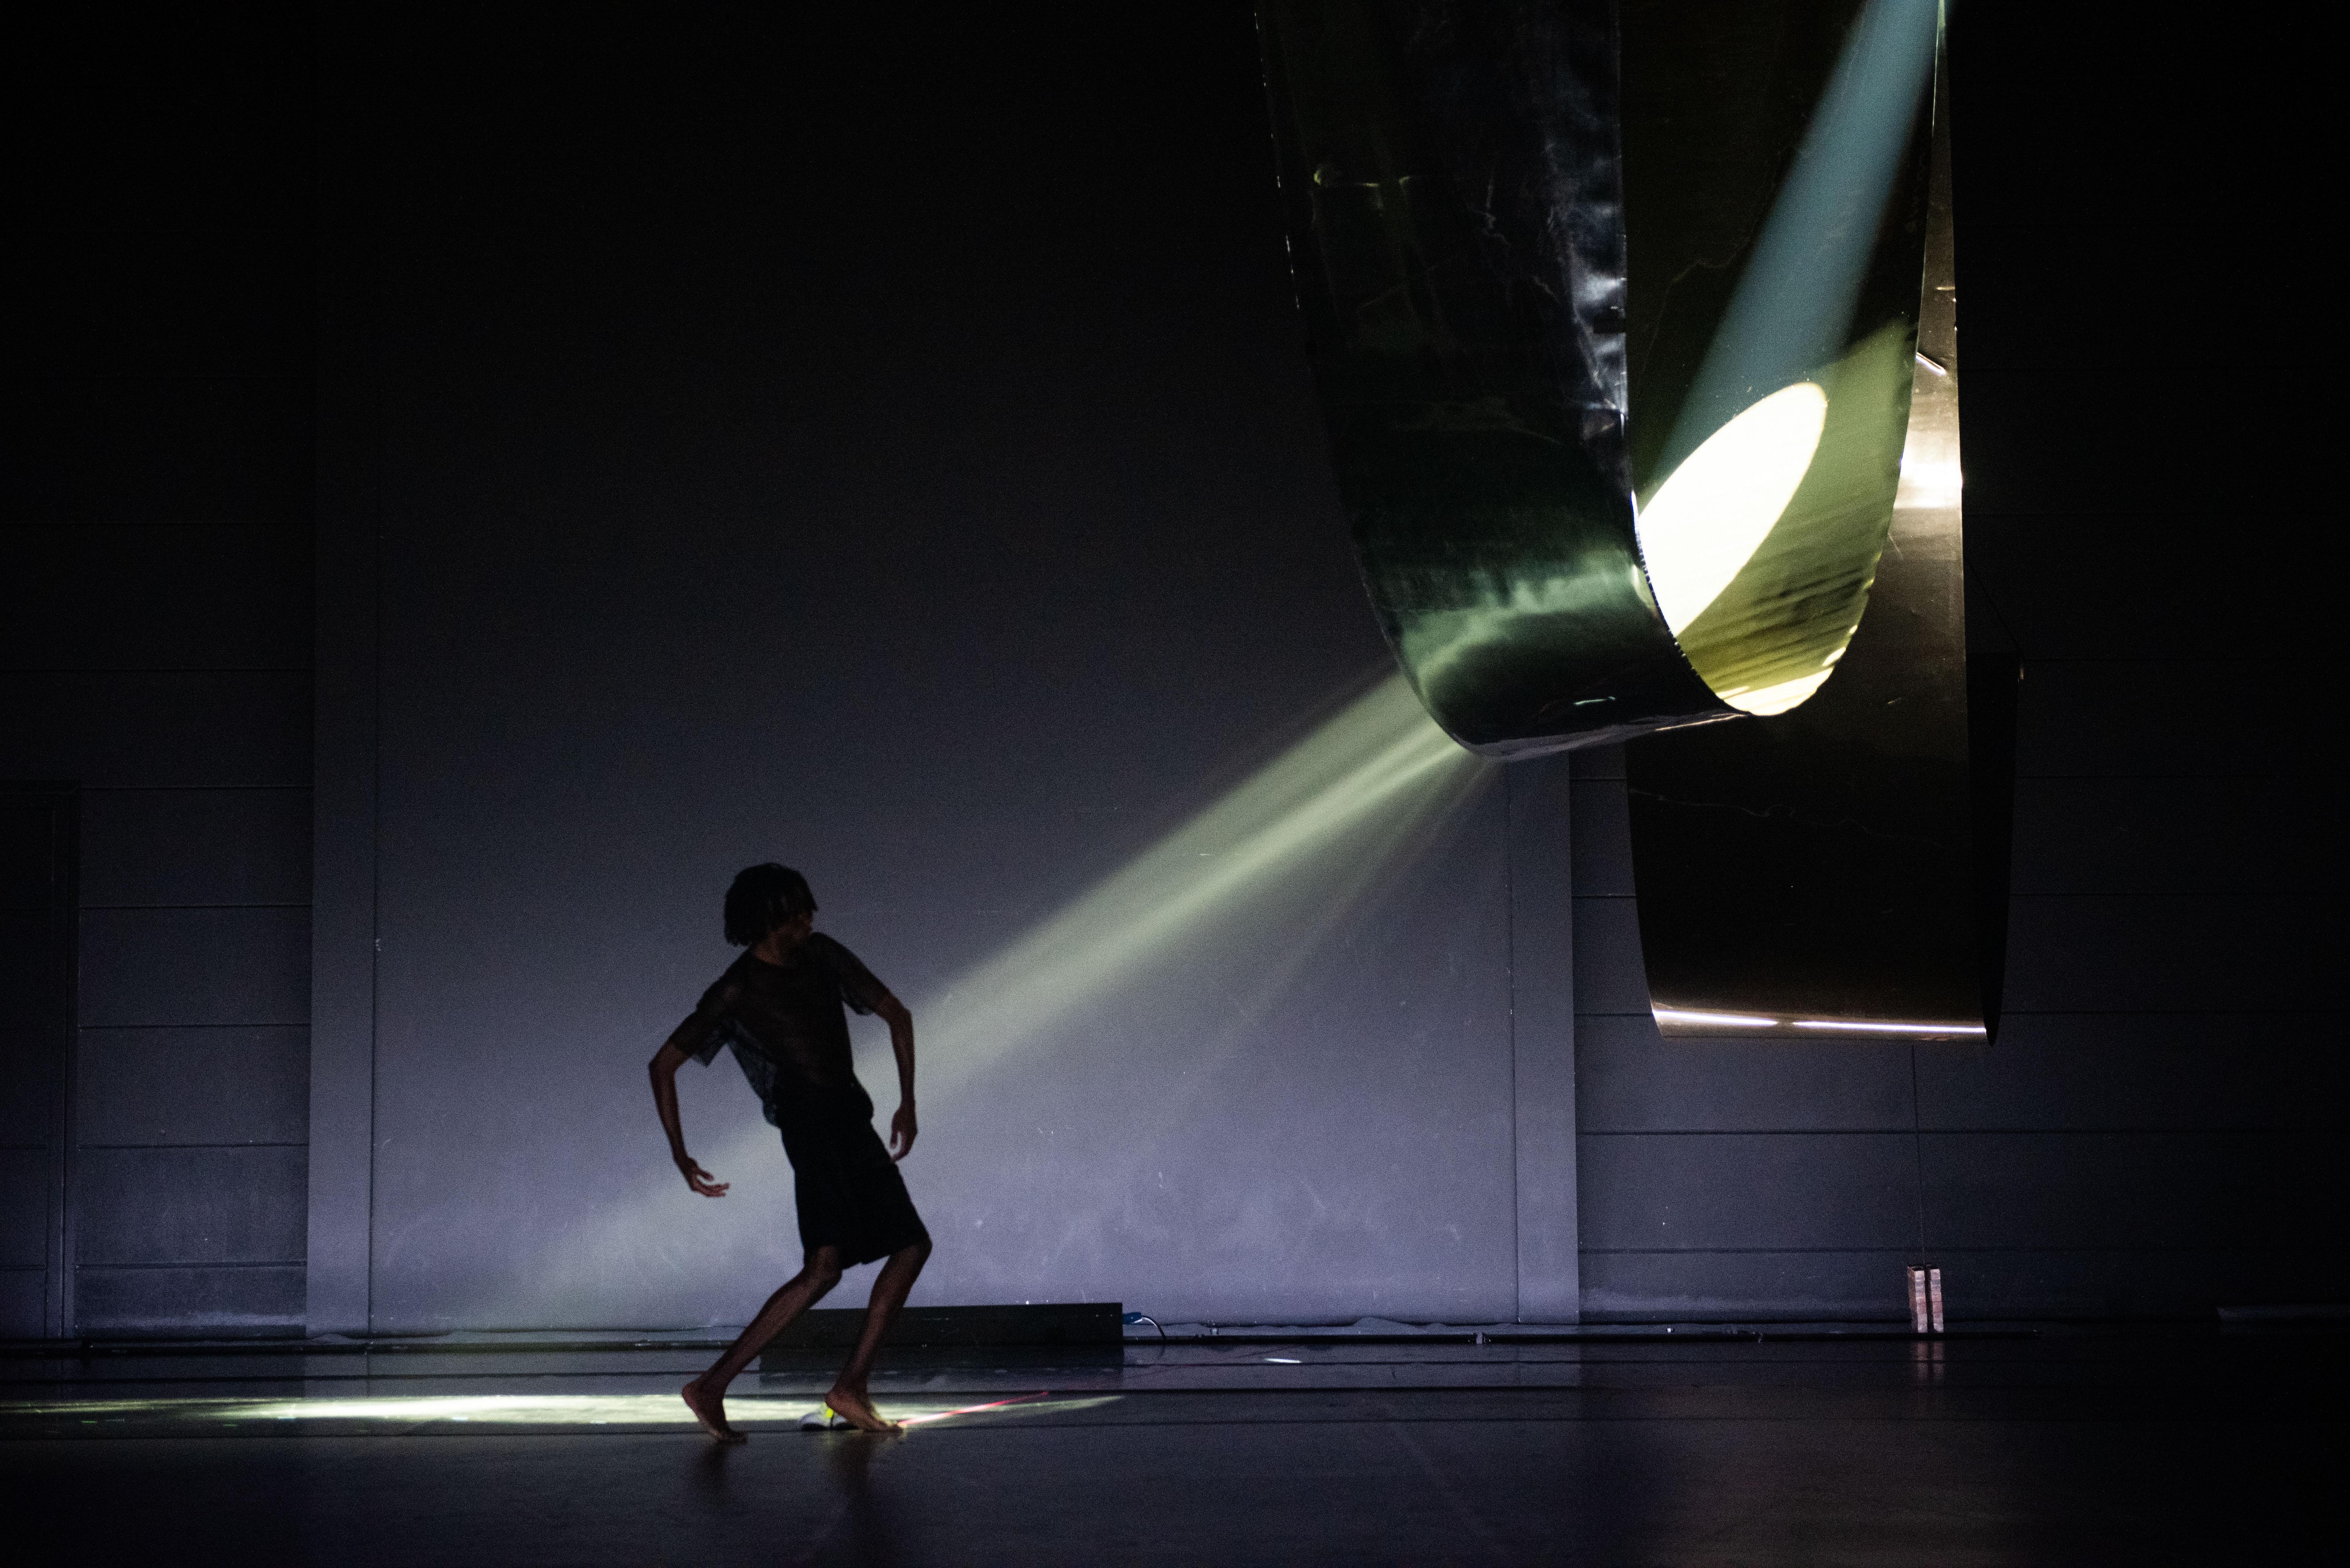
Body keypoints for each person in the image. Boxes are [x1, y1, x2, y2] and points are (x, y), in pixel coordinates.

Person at [649, 863, 932, 1440]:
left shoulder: (823, 955)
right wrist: (680, 1154)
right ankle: (719, 1385)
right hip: (812, 1130)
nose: (809, 920)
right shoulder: (737, 987)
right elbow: (664, 1065)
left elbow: (896, 1014)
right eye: (796, 914)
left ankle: (844, 1385)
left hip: (850, 1121)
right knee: (828, 1267)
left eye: (809, 911)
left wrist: (907, 1101)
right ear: (767, 922)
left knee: (905, 1246)